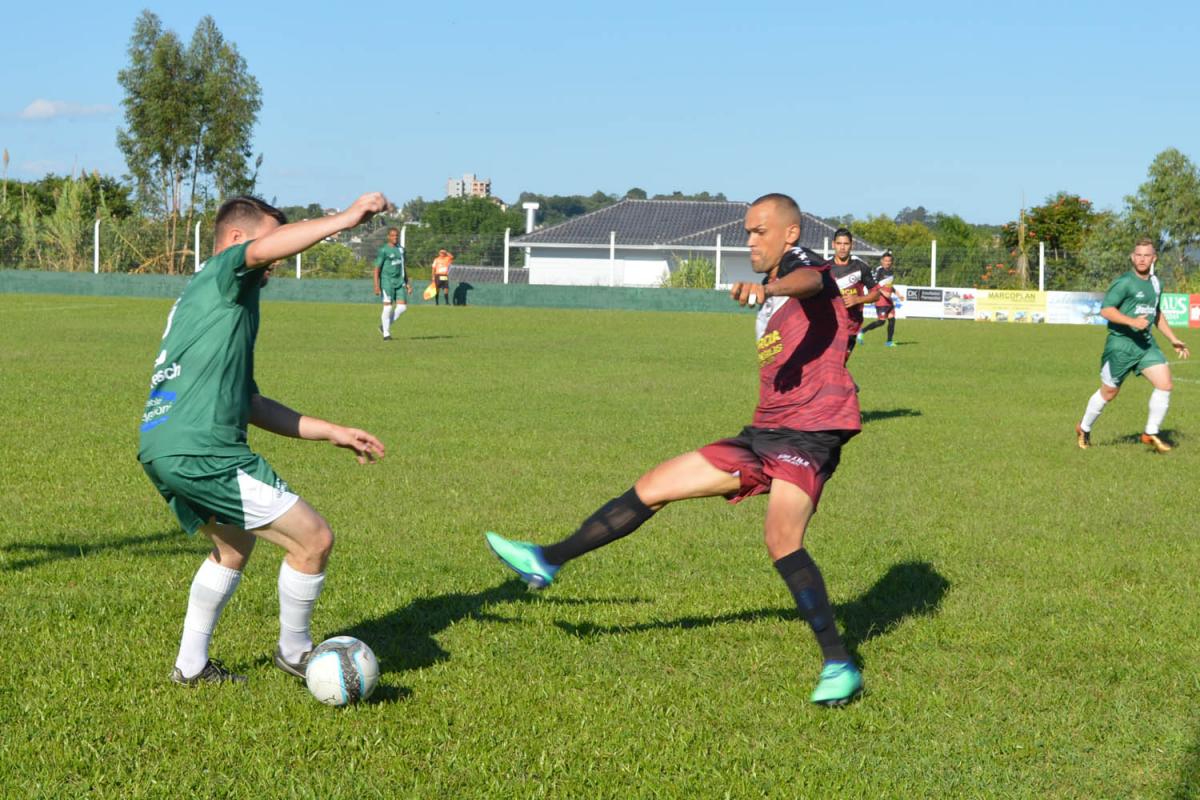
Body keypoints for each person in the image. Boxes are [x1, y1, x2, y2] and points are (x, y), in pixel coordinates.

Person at [485, 193, 865, 706]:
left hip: (811, 433)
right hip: (764, 432)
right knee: (655, 485)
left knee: (781, 538)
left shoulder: (800, 268)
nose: (749, 240)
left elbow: (813, 282)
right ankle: (546, 560)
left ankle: (839, 663)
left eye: (759, 231)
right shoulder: (776, 288)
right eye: (747, 231)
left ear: (790, 233)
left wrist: (768, 287)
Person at [138, 193, 389, 686]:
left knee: (232, 548)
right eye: (270, 241)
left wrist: (331, 432)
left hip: (165, 443)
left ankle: (190, 667)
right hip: (201, 449)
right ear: (236, 240)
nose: (274, 258)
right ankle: (296, 652)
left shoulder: (218, 303)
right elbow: (258, 253)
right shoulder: (225, 271)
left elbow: (249, 403)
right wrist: (346, 218)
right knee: (314, 538)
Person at [1075, 238, 1189, 452]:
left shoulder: (1156, 283)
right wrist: (1132, 321)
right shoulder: (1125, 282)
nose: (1142, 259)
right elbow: (1106, 310)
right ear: (1132, 257)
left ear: (1154, 258)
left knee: (1165, 384)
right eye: (1138, 255)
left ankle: (1151, 432)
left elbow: (1156, 313)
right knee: (1109, 392)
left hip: (1145, 345)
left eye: (1147, 255)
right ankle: (1084, 427)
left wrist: (1173, 339)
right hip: (1120, 345)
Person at [826, 227, 879, 360]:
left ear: (851, 245)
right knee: (829, 366)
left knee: (839, 364)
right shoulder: (824, 268)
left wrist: (858, 299)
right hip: (829, 325)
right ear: (833, 245)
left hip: (851, 326)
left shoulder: (861, 267)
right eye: (839, 244)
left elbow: (876, 294)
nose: (842, 248)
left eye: (846, 244)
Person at [373, 226, 411, 340]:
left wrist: (407, 283)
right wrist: (376, 285)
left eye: (397, 236)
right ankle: (386, 334)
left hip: (399, 282)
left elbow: (403, 267)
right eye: (393, 236)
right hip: (387, 282)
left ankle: (383, 327)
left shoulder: (401, 249)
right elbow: (376, 269)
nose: (395, 238)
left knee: (402, 307)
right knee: (388, 308)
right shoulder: (384, 250)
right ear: (388, 237)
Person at [859, 251, 899, 347]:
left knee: (892, 320)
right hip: (881, 300)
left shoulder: (891, 272)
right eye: (886, 261)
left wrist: (897, 293)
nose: (888, 263)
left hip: (889, 301)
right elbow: (874, 285)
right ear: (882, 261)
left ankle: (889, 342)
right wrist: (884, 293)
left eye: (889, 261)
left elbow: (889, 285)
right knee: (881, 322)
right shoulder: (879, 270)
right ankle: (862, 331)